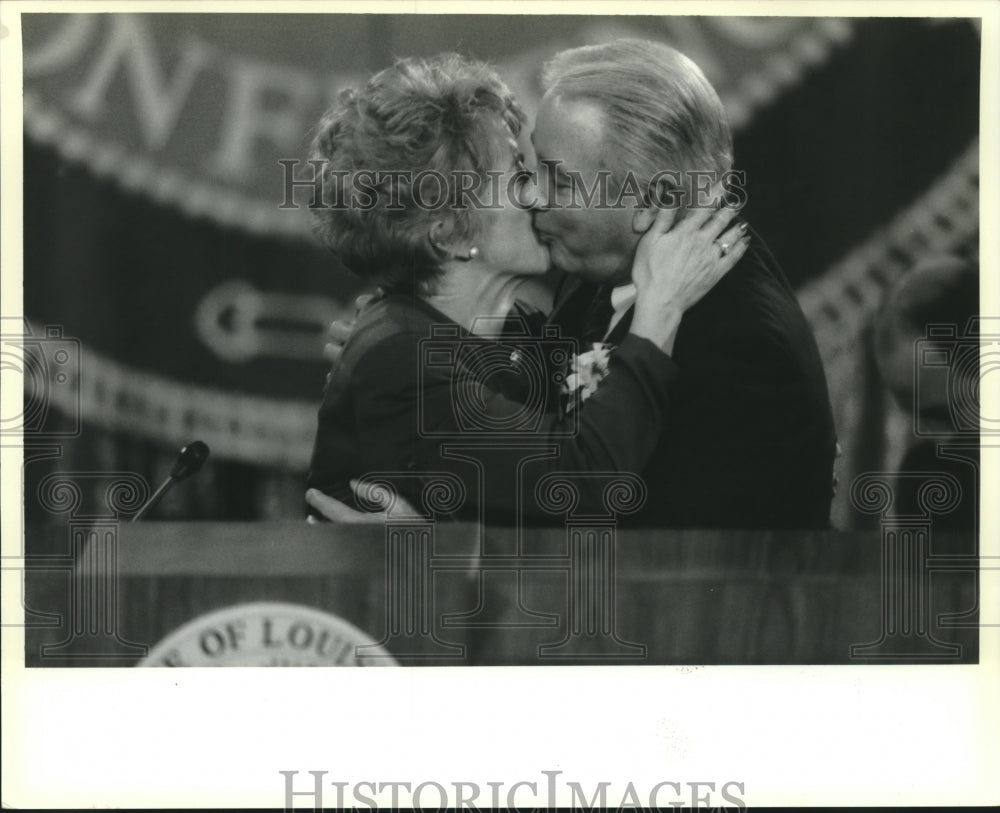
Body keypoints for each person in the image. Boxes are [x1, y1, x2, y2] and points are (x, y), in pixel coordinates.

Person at [311, 40, 837, 529]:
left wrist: (438, 546)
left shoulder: (742, 347)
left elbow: (658, 571)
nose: (536, 196)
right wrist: (387, 361)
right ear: (448, 234)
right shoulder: (586, 281)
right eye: (523, 171)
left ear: (655, 201)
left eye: (555, 177)